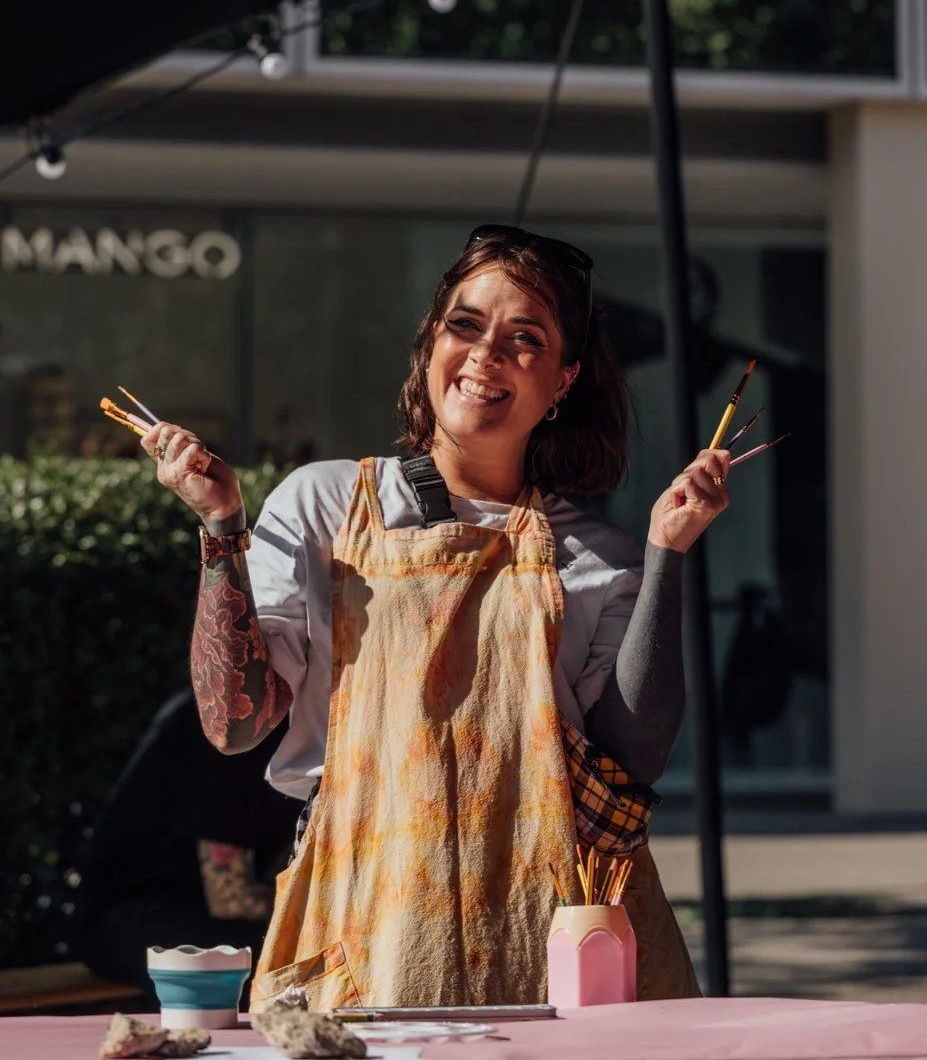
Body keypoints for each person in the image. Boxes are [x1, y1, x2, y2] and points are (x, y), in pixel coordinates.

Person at [141, 224, 731, 1009]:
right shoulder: (323, 505)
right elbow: (234, 725)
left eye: (525, 338)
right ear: (427, 347)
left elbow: (634, 761)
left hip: (556, 933)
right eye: (465, 324)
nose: (486, 354)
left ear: (563, 380)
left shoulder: (599, 556)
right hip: (367, 923)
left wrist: (665, 555)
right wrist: (221, 531)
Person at [72, 689, 300, 999]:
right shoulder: (223, 720)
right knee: (291, 966)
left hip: (194, 911)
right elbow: (231, 897)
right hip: (127, 916)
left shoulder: (291, 727)